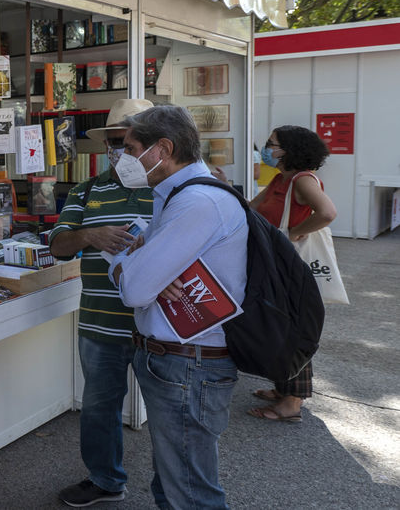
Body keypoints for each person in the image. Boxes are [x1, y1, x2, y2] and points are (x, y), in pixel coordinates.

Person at [109, 105, 247, 510]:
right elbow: (129, 260)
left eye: (131, 148)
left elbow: (133, 287)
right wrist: (136, 265)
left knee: (190, 492)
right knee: (173, 483)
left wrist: (132, 268)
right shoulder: (178, 196)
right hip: (180, 363)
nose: (124, 157)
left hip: (190, 366)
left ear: (162, 149)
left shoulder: (197, 203)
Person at [49, 99, 156, 507]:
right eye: (115, 142)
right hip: (99, 324)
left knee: (169, 414)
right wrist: (89, 236)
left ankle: (176, 490)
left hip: (158, 326)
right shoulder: (87, 190)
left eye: (131, 143)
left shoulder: (172, 189)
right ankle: (105, 479)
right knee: (98, 408)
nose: (122, 151)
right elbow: (58, 246)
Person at [246, 125, 336, 422]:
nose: (266, 149)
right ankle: (283, 388)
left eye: (271, 144)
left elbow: (327, 212)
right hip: (276, 265)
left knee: (293, 328)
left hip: (291, 267)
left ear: (289, 150)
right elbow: (250, 210)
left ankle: (292, 403)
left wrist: (295, 233)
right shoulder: (279, 180)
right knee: (277, 324)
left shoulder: (301, 180)